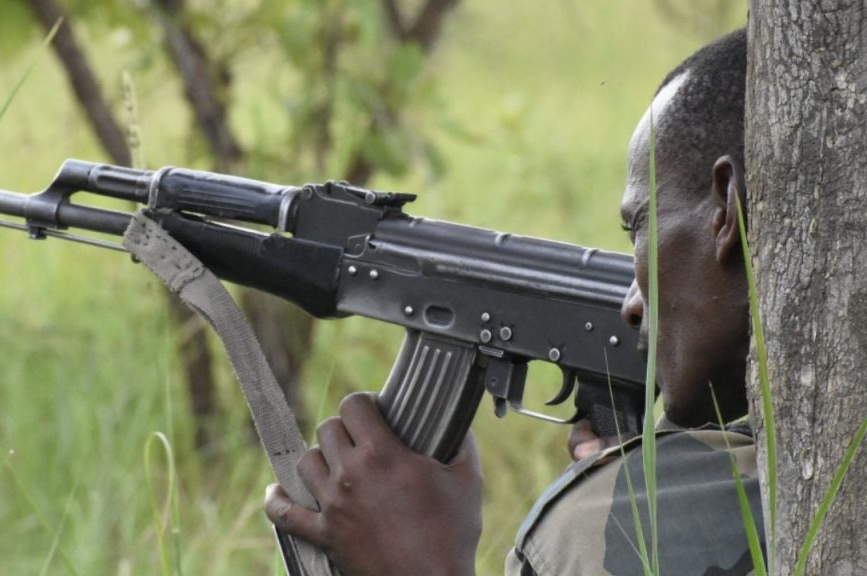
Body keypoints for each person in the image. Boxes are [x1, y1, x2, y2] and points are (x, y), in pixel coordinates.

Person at [265, 29, 763, 575]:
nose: (631, 305)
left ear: (725, 209)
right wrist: (636, 476)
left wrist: (419, 562)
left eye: (639, 225)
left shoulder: (582, 534)